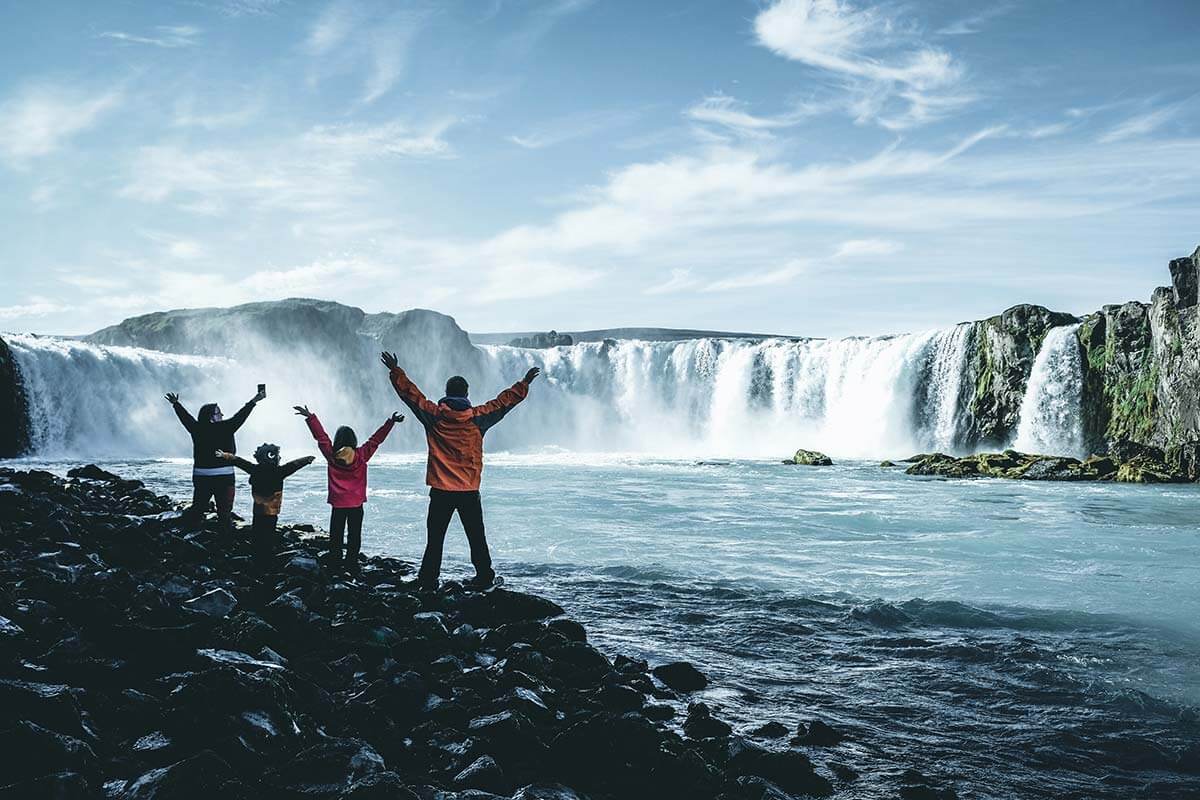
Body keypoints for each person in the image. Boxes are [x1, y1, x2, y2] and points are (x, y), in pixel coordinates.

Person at [380, 350, 540, 591]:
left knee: (435, 538)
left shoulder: (433, 416)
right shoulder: (478, 418)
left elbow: (411, 396)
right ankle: (485, 576)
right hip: (468, 489)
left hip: (441, 489)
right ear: (466, 395)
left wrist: (395, 371)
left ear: (446, 394)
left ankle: (428, 579)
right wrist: (524, 383)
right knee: (476, 536)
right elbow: (503, 403)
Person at [295, 405, 403, 577]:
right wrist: (391, 422)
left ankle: (335, 562)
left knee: (336, 535)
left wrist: (310, 417)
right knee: (354, 535)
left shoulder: (331, 455)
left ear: (338, 440)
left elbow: (321, 438)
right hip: (356, 504)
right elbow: (376, 440)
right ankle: (352, 564)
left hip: (338, 504)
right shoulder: (361, 455)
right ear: (353, 440)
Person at [166, 387, 265, 536]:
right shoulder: (227, 427)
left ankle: (189, 538)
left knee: (198, 508)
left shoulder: (196, 428)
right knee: (224, 512)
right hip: (224, 477)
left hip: (201, 476)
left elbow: (185, 418)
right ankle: (225, 542)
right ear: (211, 417)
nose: (222, 415)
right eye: (219, 413)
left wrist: (176, 404)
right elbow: (241, 415)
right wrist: (254, 401)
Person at [215, 444, 315, 562]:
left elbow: (239, 461)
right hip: (272, 511)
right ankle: (266, 556)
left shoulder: (255, 469)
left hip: (258, 510)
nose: (279, 458)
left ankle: (257, 555)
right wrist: (307, 459)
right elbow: (294, 465)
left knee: (257, 533)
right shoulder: (279, 471)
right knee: (268, 534)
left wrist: (225, 455)